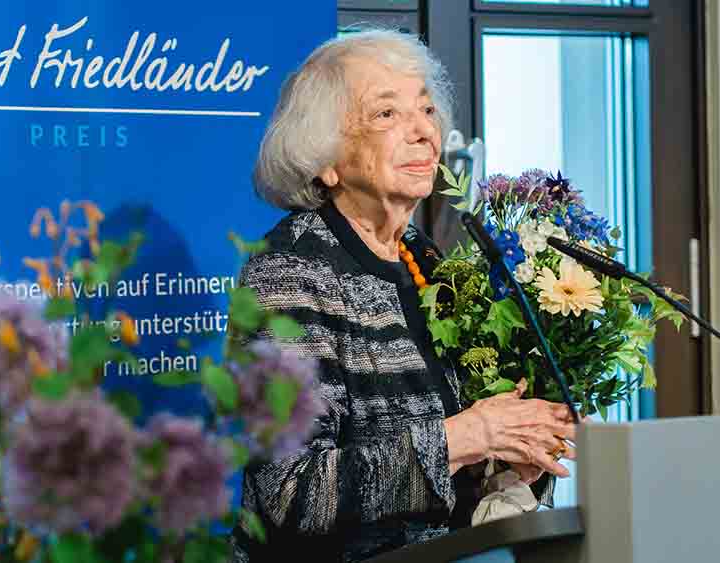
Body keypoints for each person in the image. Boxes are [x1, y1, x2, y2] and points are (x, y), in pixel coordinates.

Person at [231, 29, 577, 562]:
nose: (423, 132)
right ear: (325, 157)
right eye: (387, 114)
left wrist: (510, 462)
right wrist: (467, 437)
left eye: (426, 109)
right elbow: (290, 492)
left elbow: (454, 458)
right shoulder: (290, 273)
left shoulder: (424, 258)